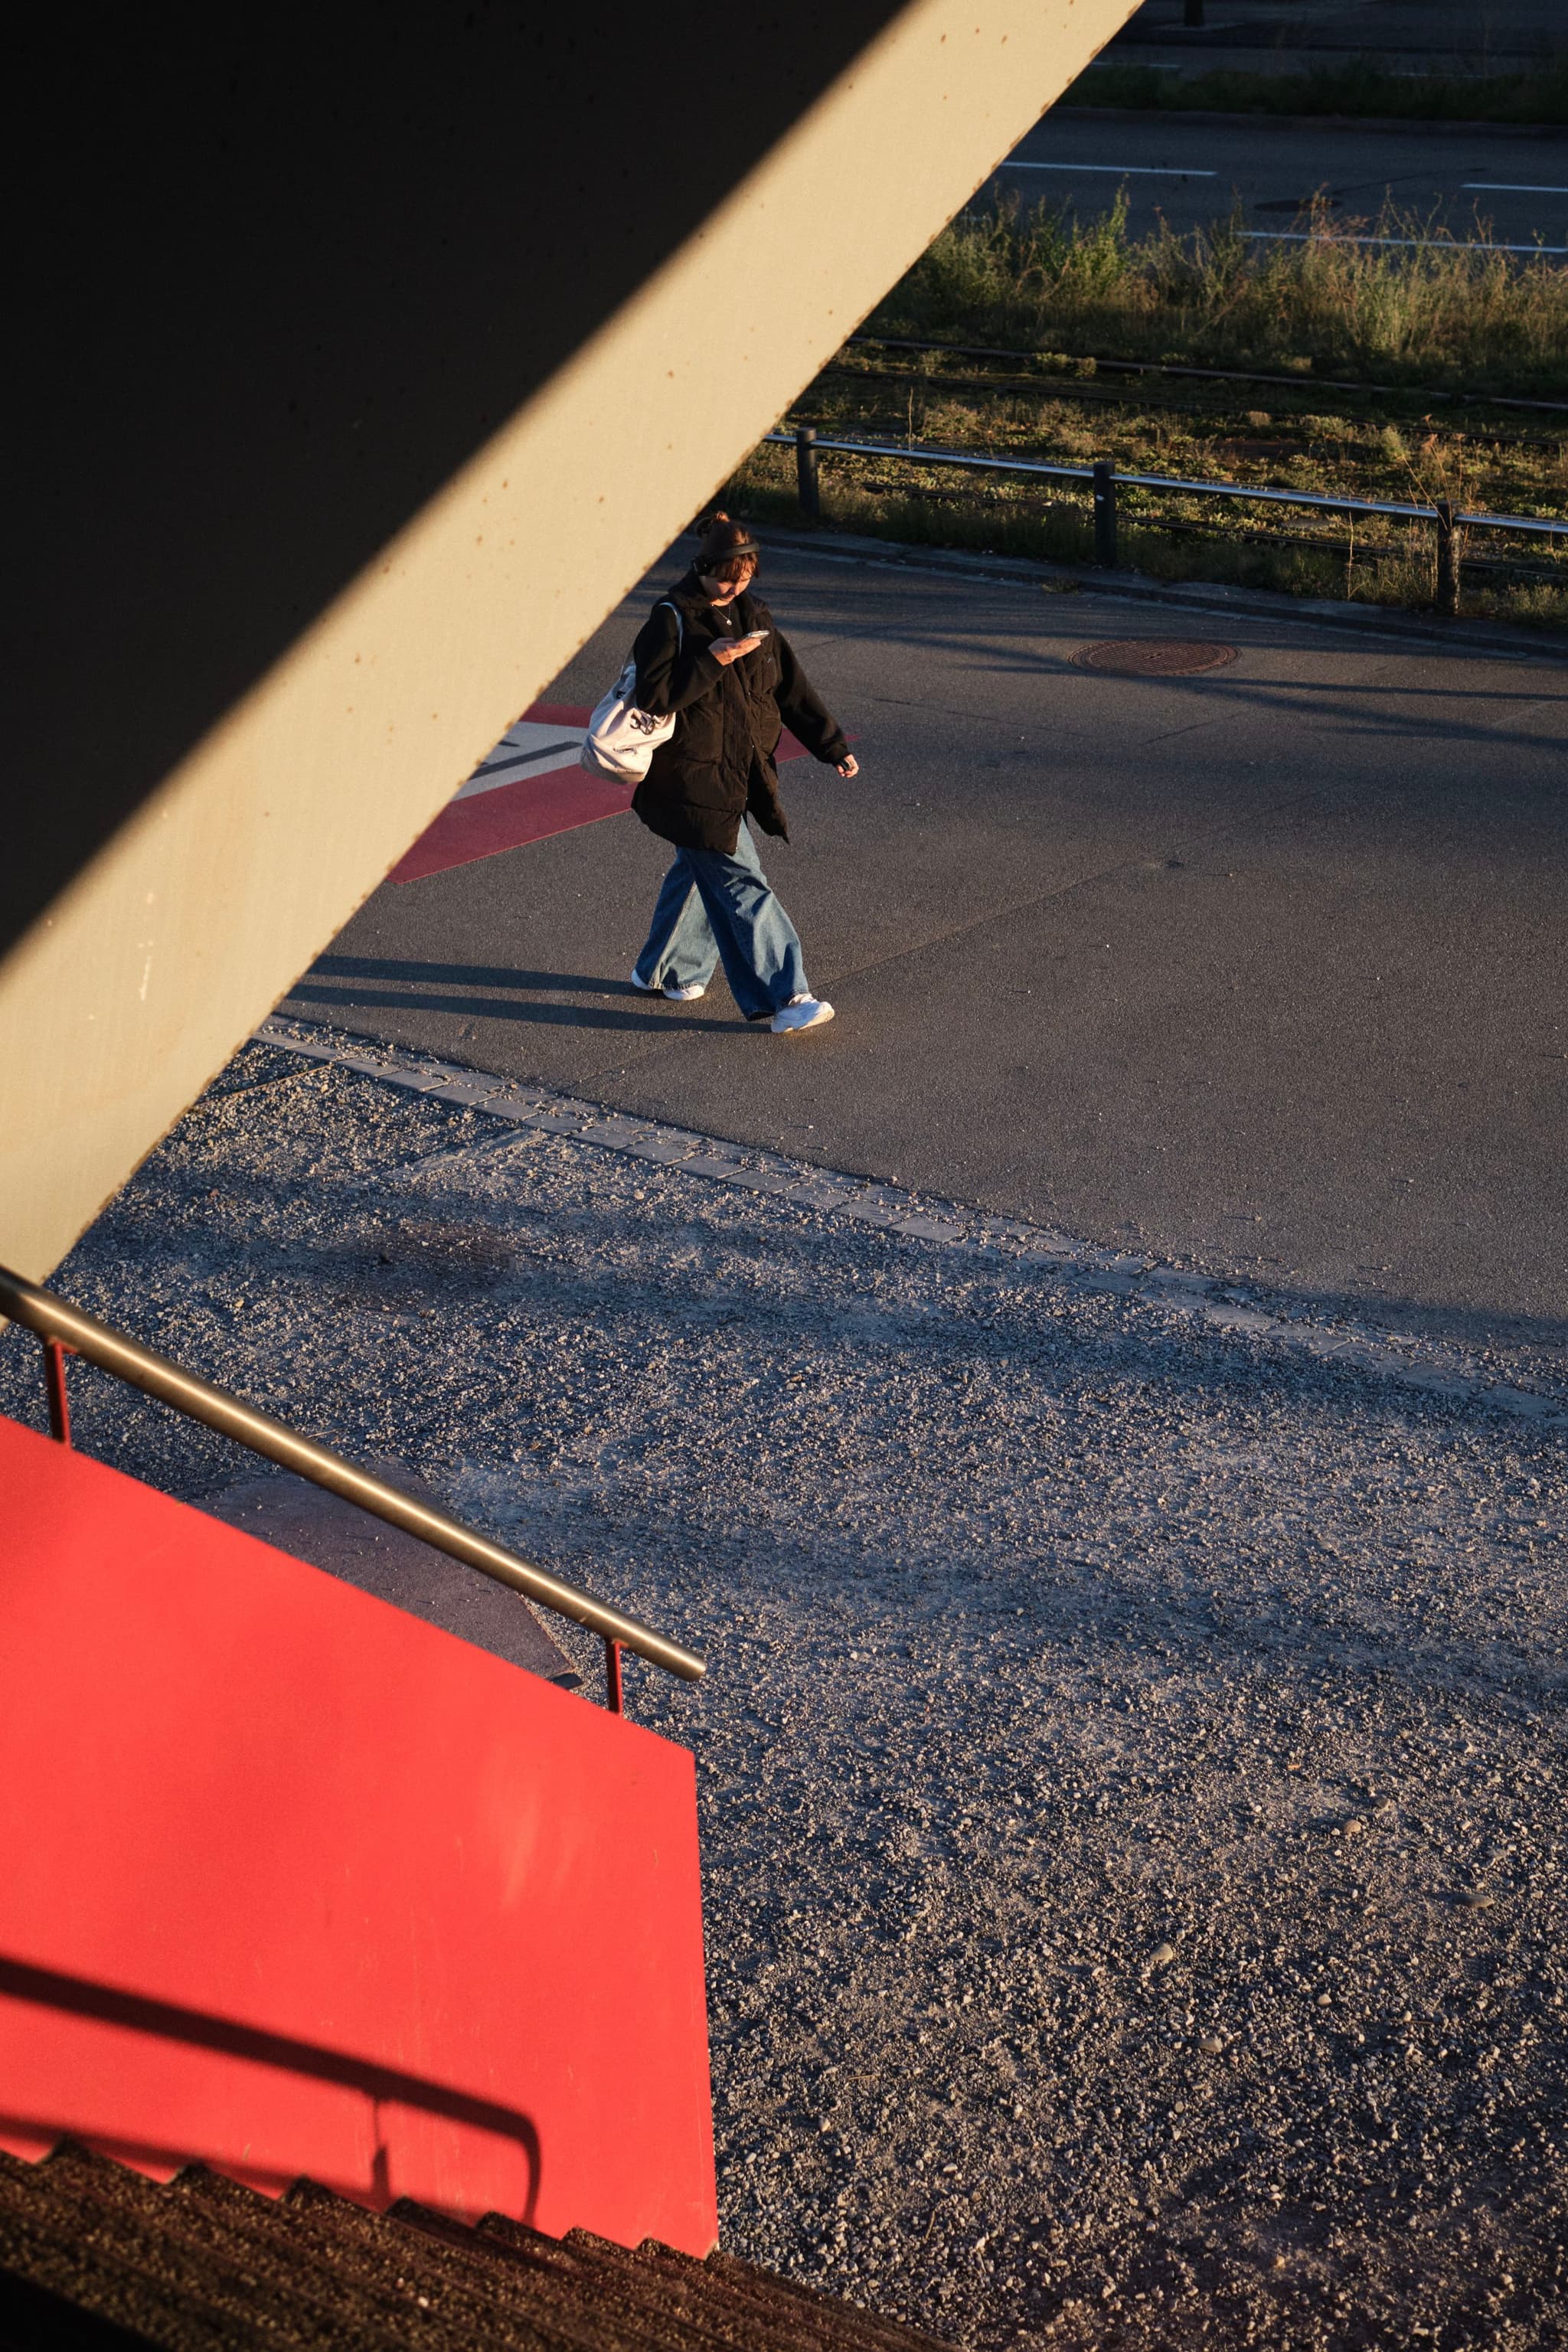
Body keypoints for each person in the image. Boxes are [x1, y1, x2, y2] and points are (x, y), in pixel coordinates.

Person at [627, 514, 858, 1034]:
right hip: (689, 778)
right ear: (702, 568)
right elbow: (654, 696)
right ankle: (787, 996)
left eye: (745, 578)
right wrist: (713, 660)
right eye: (726, 579)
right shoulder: (673, 617)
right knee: (741, 881)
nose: (734, 589)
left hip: (739, 773)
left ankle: (665, 970)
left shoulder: (755, 614)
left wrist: (831, 746)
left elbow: (790, 688)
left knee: (699, 869)